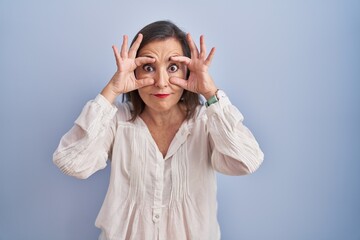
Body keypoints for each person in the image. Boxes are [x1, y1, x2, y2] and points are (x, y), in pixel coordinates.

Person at [53, 20, 264, 240]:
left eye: (172, 68)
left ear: (187, 72)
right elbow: (71, 164)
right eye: (149, 68)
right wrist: (112, 90)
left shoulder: (206, 122)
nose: (161, 82)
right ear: (135, 72)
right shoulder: (118, 120)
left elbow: (247, 161)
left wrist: (211, 93)